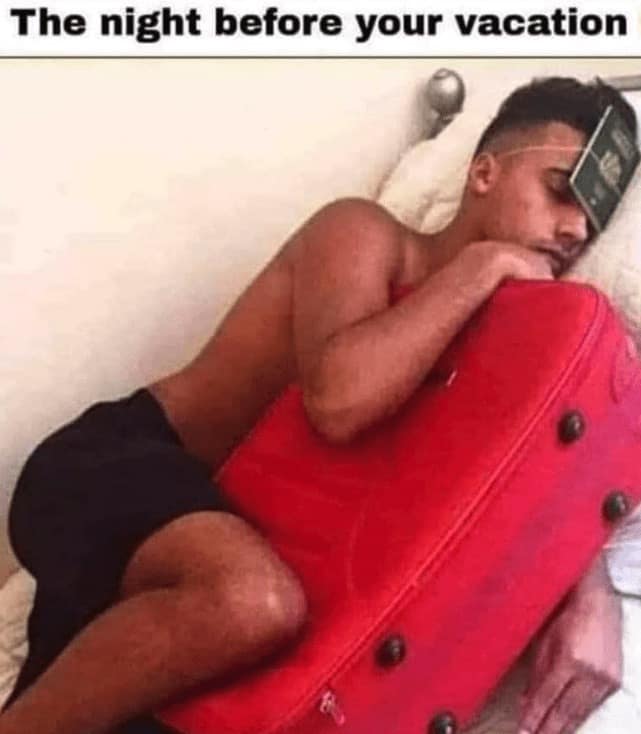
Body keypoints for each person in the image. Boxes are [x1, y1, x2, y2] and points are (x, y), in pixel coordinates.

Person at [2, 77, 637, 734]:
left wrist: (589, 594)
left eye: (591, 221)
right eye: (559, 191)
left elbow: (533, 475)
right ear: (483, 173)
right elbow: (338, 401)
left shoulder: (500, 349)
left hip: (187, 560)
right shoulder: (366, 234)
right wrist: (482, 266)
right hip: (110, 470)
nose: (573, 228)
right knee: (255, 601)